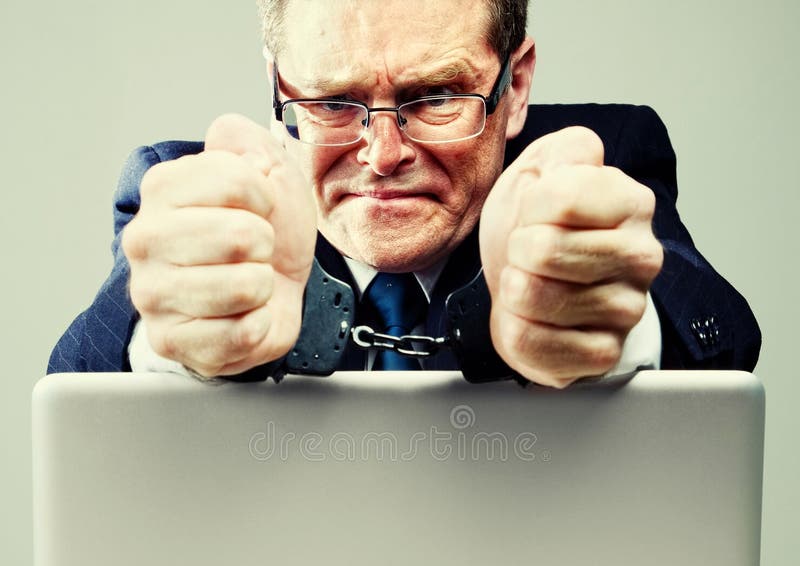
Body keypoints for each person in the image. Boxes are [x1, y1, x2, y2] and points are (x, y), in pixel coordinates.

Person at [48, 0, 760, 386]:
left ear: (515, 86)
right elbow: (73, 383)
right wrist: (172, 327)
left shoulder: (600, 167)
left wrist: (606, 309)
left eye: (437, 96)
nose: (383, 155)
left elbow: (723, 338)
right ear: (278, 83)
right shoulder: (197, 200)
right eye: (330, 100)